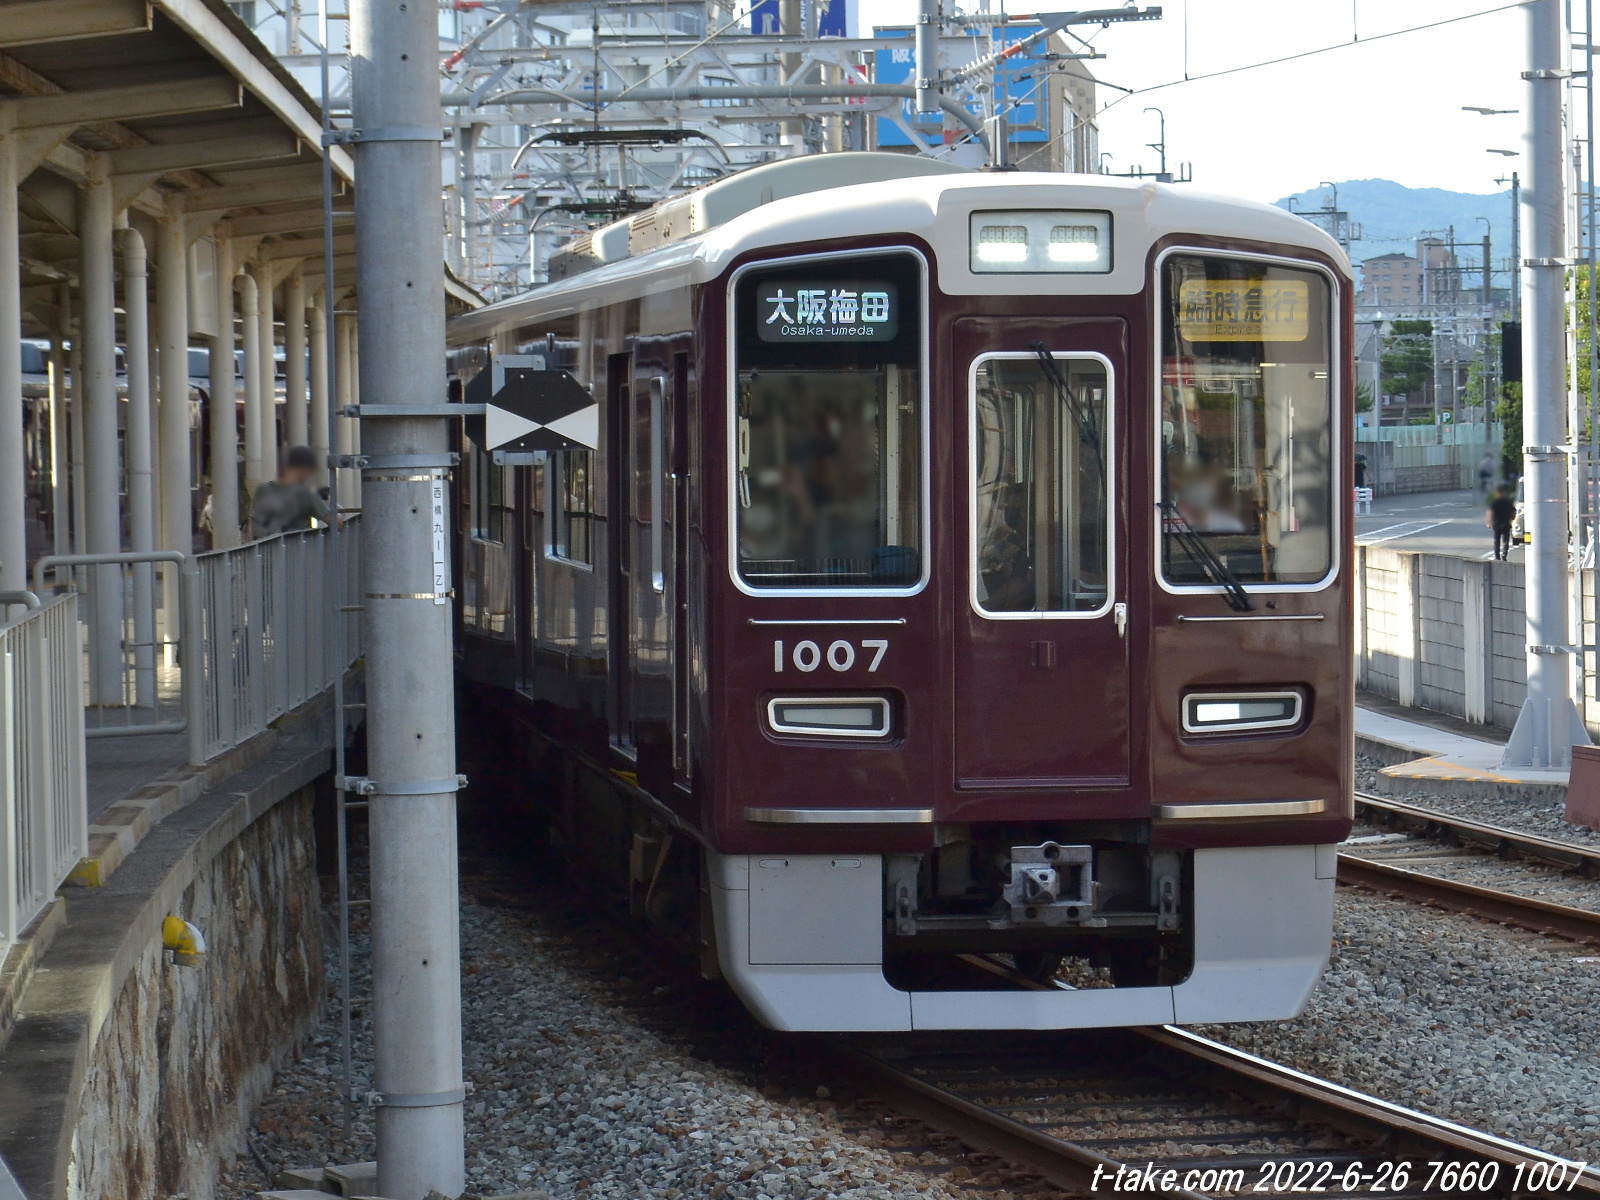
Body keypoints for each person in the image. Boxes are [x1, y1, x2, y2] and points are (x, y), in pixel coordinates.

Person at [250, 445, 334, 539]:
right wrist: (329, 506)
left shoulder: (262, 490)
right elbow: (334, 523)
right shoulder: (306, 494)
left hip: (266, 551)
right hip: (297, 550)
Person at [1487, 482, 1517, 561]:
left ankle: (1497, 557)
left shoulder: (1494, 501)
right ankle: (1504, 554)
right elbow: (1513, 511)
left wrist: (1489, 522)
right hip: (1506, 523)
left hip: (1496, 524)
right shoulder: (1508, 501)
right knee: (1505, 540)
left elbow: (1491, 512)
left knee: (1496, 541)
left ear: (1497, 492)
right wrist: (1513, 518)